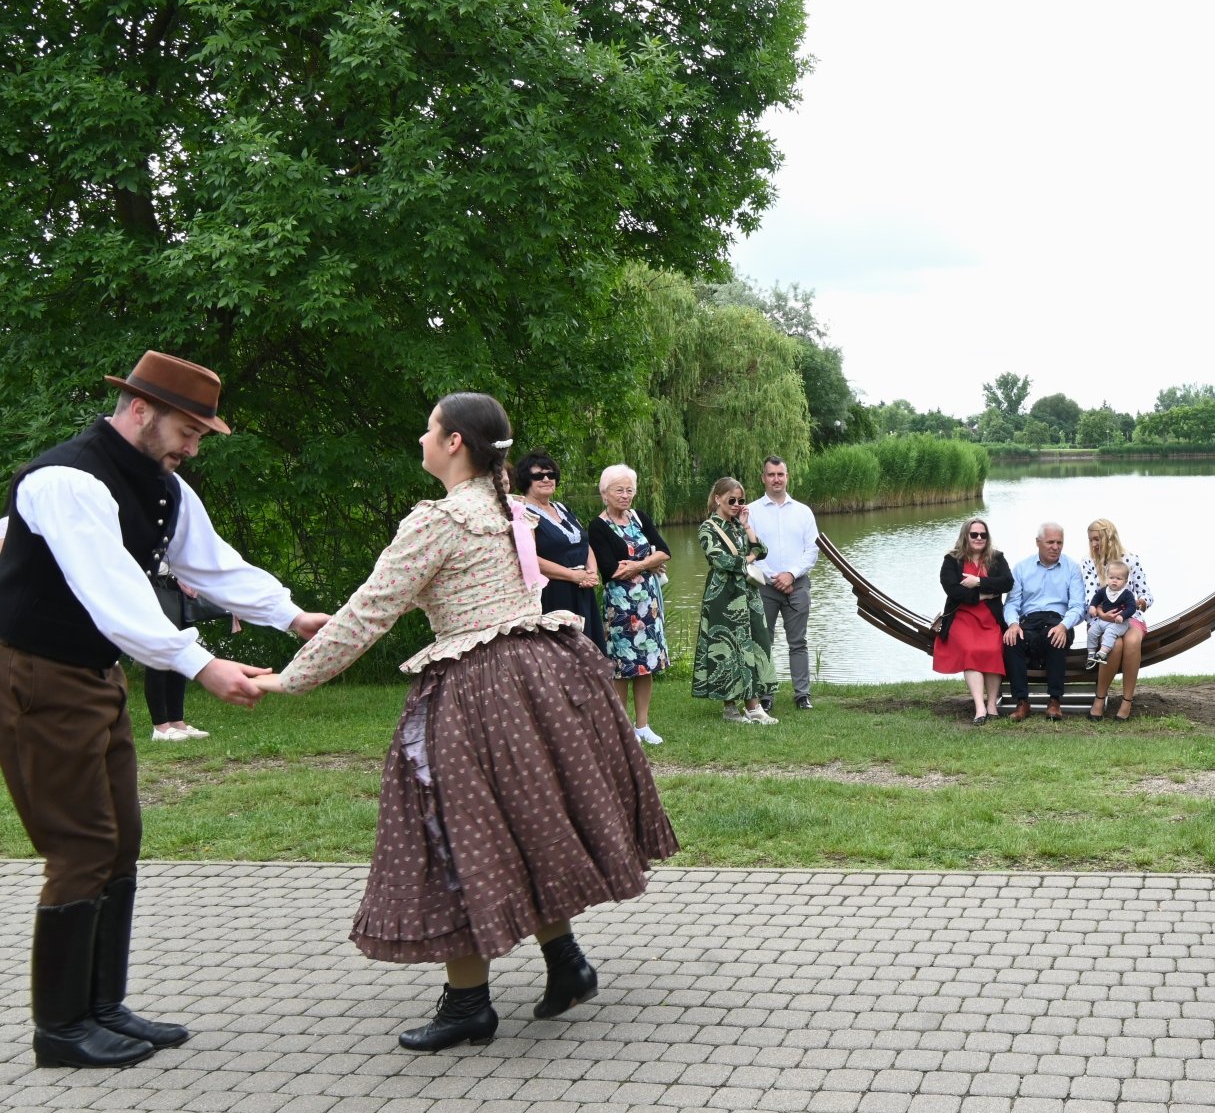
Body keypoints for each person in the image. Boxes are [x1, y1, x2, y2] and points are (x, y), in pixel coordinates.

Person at [257, 393, 678, 1052]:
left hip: (481, 688)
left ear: (454, 442)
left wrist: (291, 678)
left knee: (454, 833)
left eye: (428, 429)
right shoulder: (508, 508)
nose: (420, 439)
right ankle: (566, 962)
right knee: (525, 822)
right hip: (544, 672)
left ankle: (468, 1005)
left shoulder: (441, 521)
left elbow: (372, 612)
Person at [0, 351, 327, 1068]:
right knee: (81, 845)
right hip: (38, 677)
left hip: (93, 675)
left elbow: (214, 564)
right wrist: (201, 664)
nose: (193, 446)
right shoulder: (65, 479)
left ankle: (102, 1007)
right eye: (189, 430)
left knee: (119, 839)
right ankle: (60, 1029)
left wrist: (292, 616)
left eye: (202, 436)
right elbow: (111, 593)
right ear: (141, 409)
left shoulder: (164, 487)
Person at [588, 464, 671, 745]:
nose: (625, 495)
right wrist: (650, 563)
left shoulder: (639, 517)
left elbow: (665, 552)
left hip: (649, 602)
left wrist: (639, 564)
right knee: (622, 666)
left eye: (629, 490)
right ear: (605, 494)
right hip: (620, 606)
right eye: (619, 490)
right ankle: (622, 727)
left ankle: (643, 725)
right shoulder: (598, 526)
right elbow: (611, 570)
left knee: (646, 664)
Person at [694, 477, 777, 724]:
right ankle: (733, 706)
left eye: (741, 500)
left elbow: (762, 550)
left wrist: (747, 525)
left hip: (747, 594)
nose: (737, 504)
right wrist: (749, 558)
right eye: (732, 500)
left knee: (752, 643)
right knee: (727, 647)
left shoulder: (737, 525)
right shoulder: (707, 528)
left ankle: (753, 705)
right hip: (723, 595)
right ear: (717, 498)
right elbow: (722, 561)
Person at [513, 451, 603, 649]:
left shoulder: (563, 508)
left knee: (590, 651)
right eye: (538, 476)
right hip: (554, 592)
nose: (546, 479)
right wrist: (573, 576)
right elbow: (530, 559)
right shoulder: (523, 513)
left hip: (582, 589)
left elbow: (583, 542)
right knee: (564, 655)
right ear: (526, 480)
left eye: (550, 475)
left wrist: (591, 573)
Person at [751, 455, 818, 713]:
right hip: (765, 586)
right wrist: (775, 578)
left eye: (780, 474)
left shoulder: (803, 511)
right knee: (764, 641)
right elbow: (752, 550)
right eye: (771, 475)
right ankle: (765, 695)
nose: (776, 479)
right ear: (763, 478)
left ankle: (802, 695)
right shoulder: (753, 511)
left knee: (798, 642)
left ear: (786, 477)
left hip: (798, 585)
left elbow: (812, 549)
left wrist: (790, 574)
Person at [932, 517, 1014, 725]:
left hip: (990, 617)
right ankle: (979, 707)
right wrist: (983, 595)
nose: (979, 538)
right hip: (962, 616)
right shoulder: (952, 560)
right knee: (970, 650)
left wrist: (978, 581)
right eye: (974, 534)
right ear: (965, 536)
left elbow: (1007, 583)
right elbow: (952, 589)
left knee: (993, 650)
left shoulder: (996, 558)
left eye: (983, 535)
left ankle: (992, 704)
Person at [1002, 523, 1086, 722]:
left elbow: (1077, 607)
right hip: (1028, 622)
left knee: (1055, 638)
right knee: (1012, 641)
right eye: (1050, 542)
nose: (1055, 547)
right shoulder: (1021, 568)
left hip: (1058, 621)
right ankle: (1022, 702)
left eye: (1059, 542)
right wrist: (1013, 624)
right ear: (1038, 543)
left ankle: (1055, 700)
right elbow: (1012, 603)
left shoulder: (1072, 568)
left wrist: (1064, 626)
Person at [1082, 519, 1153, 721]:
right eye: (1091, 540)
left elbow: (1147, 594)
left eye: (1097, 539)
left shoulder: (1131, 560)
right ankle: (1100, 697)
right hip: (1100, 618)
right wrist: (1102, 613)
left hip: (1129, 616)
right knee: (1115, 644)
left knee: (1131, 641)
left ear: (1109, 537)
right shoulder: (1088, 562)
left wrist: (1140, 602)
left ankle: (1127, 701)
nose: (1094, 544)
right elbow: (1089, 597)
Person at [144, 577, 216, 741]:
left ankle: (176, 722)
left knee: (181, 651)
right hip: (154, 589)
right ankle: (160, 727)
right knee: (159, 655)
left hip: (178, 589)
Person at [1084, 561, 1137, 668]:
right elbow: (1096, 598)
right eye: (1111, 577)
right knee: (1092, 631)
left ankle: (1102, 653)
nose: (1114, 581)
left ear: (1125, 581)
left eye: (1118, 579)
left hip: (1118, 623)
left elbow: (1132, 607)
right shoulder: (1104, 591)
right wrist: (1093, 606)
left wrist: (1122, 616)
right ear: (1107, 578)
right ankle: (1091, 653)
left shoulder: (1127, 594)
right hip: (1102, 621)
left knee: (1109, 634)